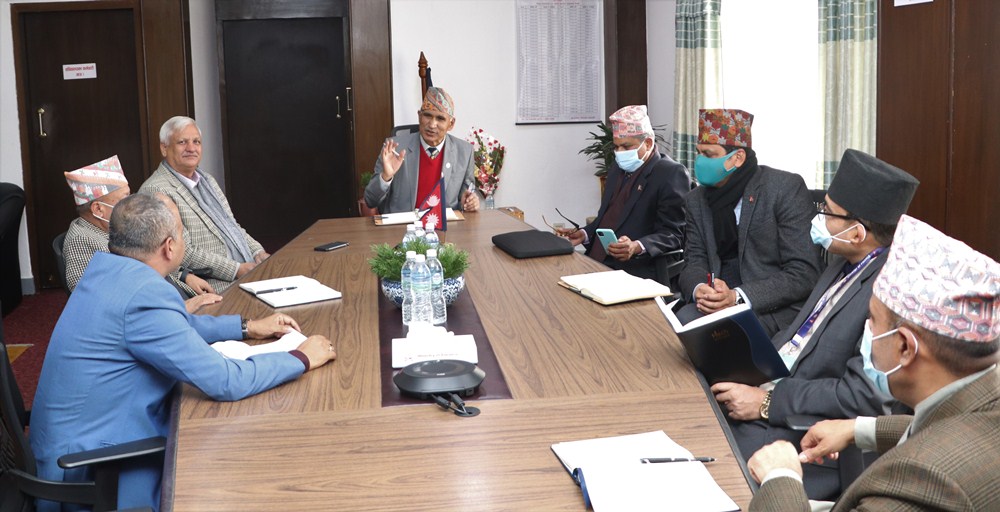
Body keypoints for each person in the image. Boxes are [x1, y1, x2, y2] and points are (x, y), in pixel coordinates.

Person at [30, 192, 337, 511]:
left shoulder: (107, 272)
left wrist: (247, 327)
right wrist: (301, 358)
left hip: (71, 445)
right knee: (238, 466)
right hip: (95, 468)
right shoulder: (145, 293)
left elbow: (173, 326)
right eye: (181, 232)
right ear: (169, 246)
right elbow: (225, 381)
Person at [746, 214, 1000, 511]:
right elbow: (941, 420)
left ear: (905, 346)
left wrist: (781, 476)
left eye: (873, 321)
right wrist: (858, 429)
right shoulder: (983, 401)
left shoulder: (924, 480)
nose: (866, 330)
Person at [710, 149, 920, 500]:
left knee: (708, 460)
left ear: (857, 233)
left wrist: (766, 402)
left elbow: (860, 397)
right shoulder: (842, 261)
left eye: (826, 211)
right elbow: (802, 333)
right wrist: (751, 368)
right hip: (774, 390)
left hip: (808, 435)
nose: (817, 217)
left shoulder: (888, 293)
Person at [677, 108, 822, 337]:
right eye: (699, 153)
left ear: (738, 158)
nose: (700, 161)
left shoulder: (784, 189)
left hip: (771, 306)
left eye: (709, 154)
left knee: (722, 337)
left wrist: (737, 296)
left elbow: (803, 272)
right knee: (679, 325)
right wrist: (700, 290)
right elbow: (694, 260)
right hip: (715, 302)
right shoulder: (696, 200)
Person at [62, 156, 219, 312]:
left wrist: (184, 276)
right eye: (124, 198)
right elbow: (94, 302)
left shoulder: (113, 228)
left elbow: (150, 259)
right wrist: (181, 309)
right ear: (98, 209)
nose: (130, 203)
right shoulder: (80, 240)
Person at [558, 105, 690, 281]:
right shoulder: (617, 169)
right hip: (597, 260)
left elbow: (673, 234)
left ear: (648, 143)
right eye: (616, 147)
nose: (620, 153)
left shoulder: (670, 173)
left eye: (626, 147)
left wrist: (636, 246)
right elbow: (608, 218)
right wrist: (583, 234)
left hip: (637, 268)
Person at [139, 116, 269, 292]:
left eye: (196, 142)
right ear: (164, 148)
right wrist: (236, 269)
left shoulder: (207, 180)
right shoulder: (156, 190)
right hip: (214, 285)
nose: (191, 148)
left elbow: (232, 225)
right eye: (182, 142)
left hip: (246, 271)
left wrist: (257, 252)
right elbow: (181, 251)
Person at [365, 86, 479, 213]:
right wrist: (385, 177)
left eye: (440, 118)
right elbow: (370, 201)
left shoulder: (465, 152)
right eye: (427, 116)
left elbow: (467, 195)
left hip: (445, 224)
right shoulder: (394, 148)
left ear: (451, 124)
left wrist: (469, 202)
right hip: (403, 224)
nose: (432, 125)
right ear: (419, 116)